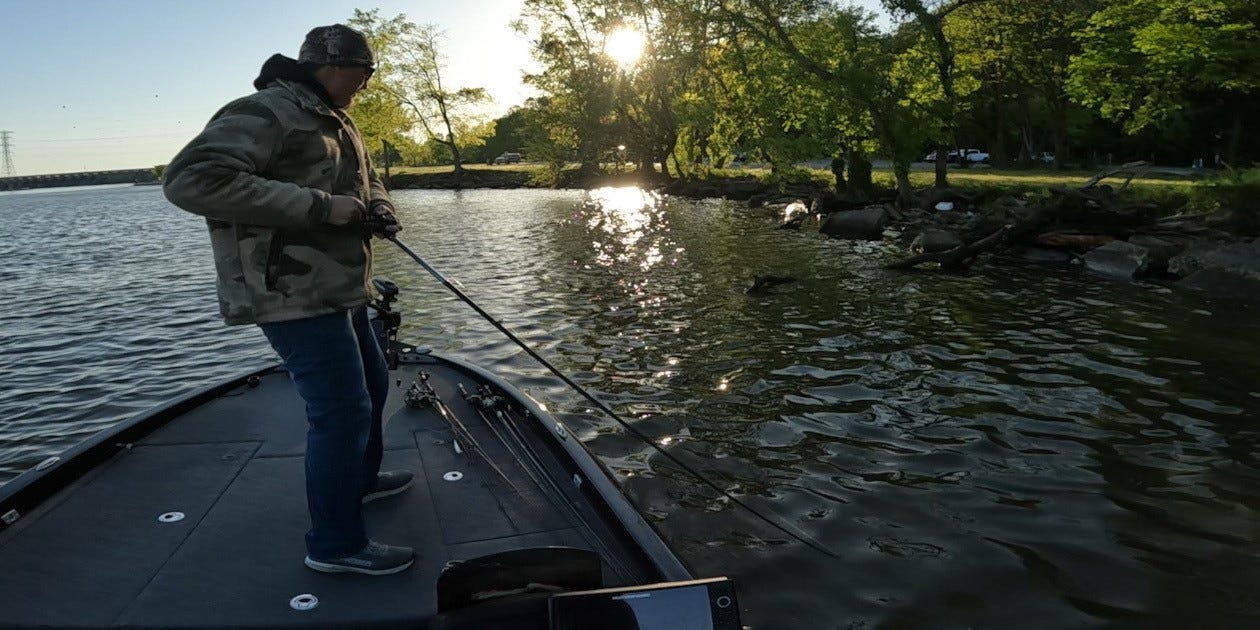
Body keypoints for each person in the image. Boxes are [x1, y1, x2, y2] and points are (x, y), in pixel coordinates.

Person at [163, 24, 414, 576]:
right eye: (364, 73)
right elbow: (190, 180)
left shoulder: (337, 117)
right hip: (290, 293)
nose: (367, 85)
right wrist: (320, 207)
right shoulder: (266, 111)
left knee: (371, 389)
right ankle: (335, 545)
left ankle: (362, 482)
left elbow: (366, 182)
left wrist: (379, 205)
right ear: (333, 65)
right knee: (341, 412)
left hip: (343, 286)